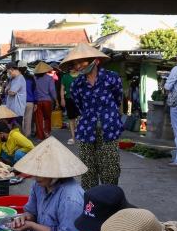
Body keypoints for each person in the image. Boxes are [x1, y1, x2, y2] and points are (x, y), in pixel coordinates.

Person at [7, 137, 87, 231]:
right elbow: (31, 212)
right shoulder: (39, 185)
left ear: (55, 174)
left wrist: (32, 225)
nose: (35, 177)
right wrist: (24, 218)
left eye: (41, 173)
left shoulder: (70, 197)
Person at [63, 43, 124, 190]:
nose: (78, 66)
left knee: (110, 168)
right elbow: (79, 105)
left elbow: (118, 98)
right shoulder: (76, 84)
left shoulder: (112, 78)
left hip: (109, 128)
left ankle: (110, 202)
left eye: (81, 62)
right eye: (75, 63)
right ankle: (92, 207)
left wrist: (107, 114)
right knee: (88, 170)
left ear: (95, 60)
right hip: (86, 130)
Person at [33, 62, 59, 139]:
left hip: (38, 101)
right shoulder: (49, 78)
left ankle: (40, 136)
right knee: (47, 118)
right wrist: (56, 100)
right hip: (47, 101)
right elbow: (52, 91)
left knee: (39, 119)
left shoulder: (35, 78)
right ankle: (47, 132)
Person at [60, 66, 80, 144]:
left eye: (73, 66)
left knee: (80, 117)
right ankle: (73, 137)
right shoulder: (65, 77)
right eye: (70, 66)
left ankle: (79, 134)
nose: (71, 68)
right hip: (69, 99)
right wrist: (62, 99)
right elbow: (62, 89)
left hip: (80, 99)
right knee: (71, 119)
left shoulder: (81, 76)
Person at [23, 62, 37, 138]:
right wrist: (36, 103)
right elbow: (35, 91)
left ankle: (20, 137)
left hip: (20, 102)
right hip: (30, 102)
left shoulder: (17, 78)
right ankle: (26, 136)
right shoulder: (31, 78)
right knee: (28, 120)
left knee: (20, 120)